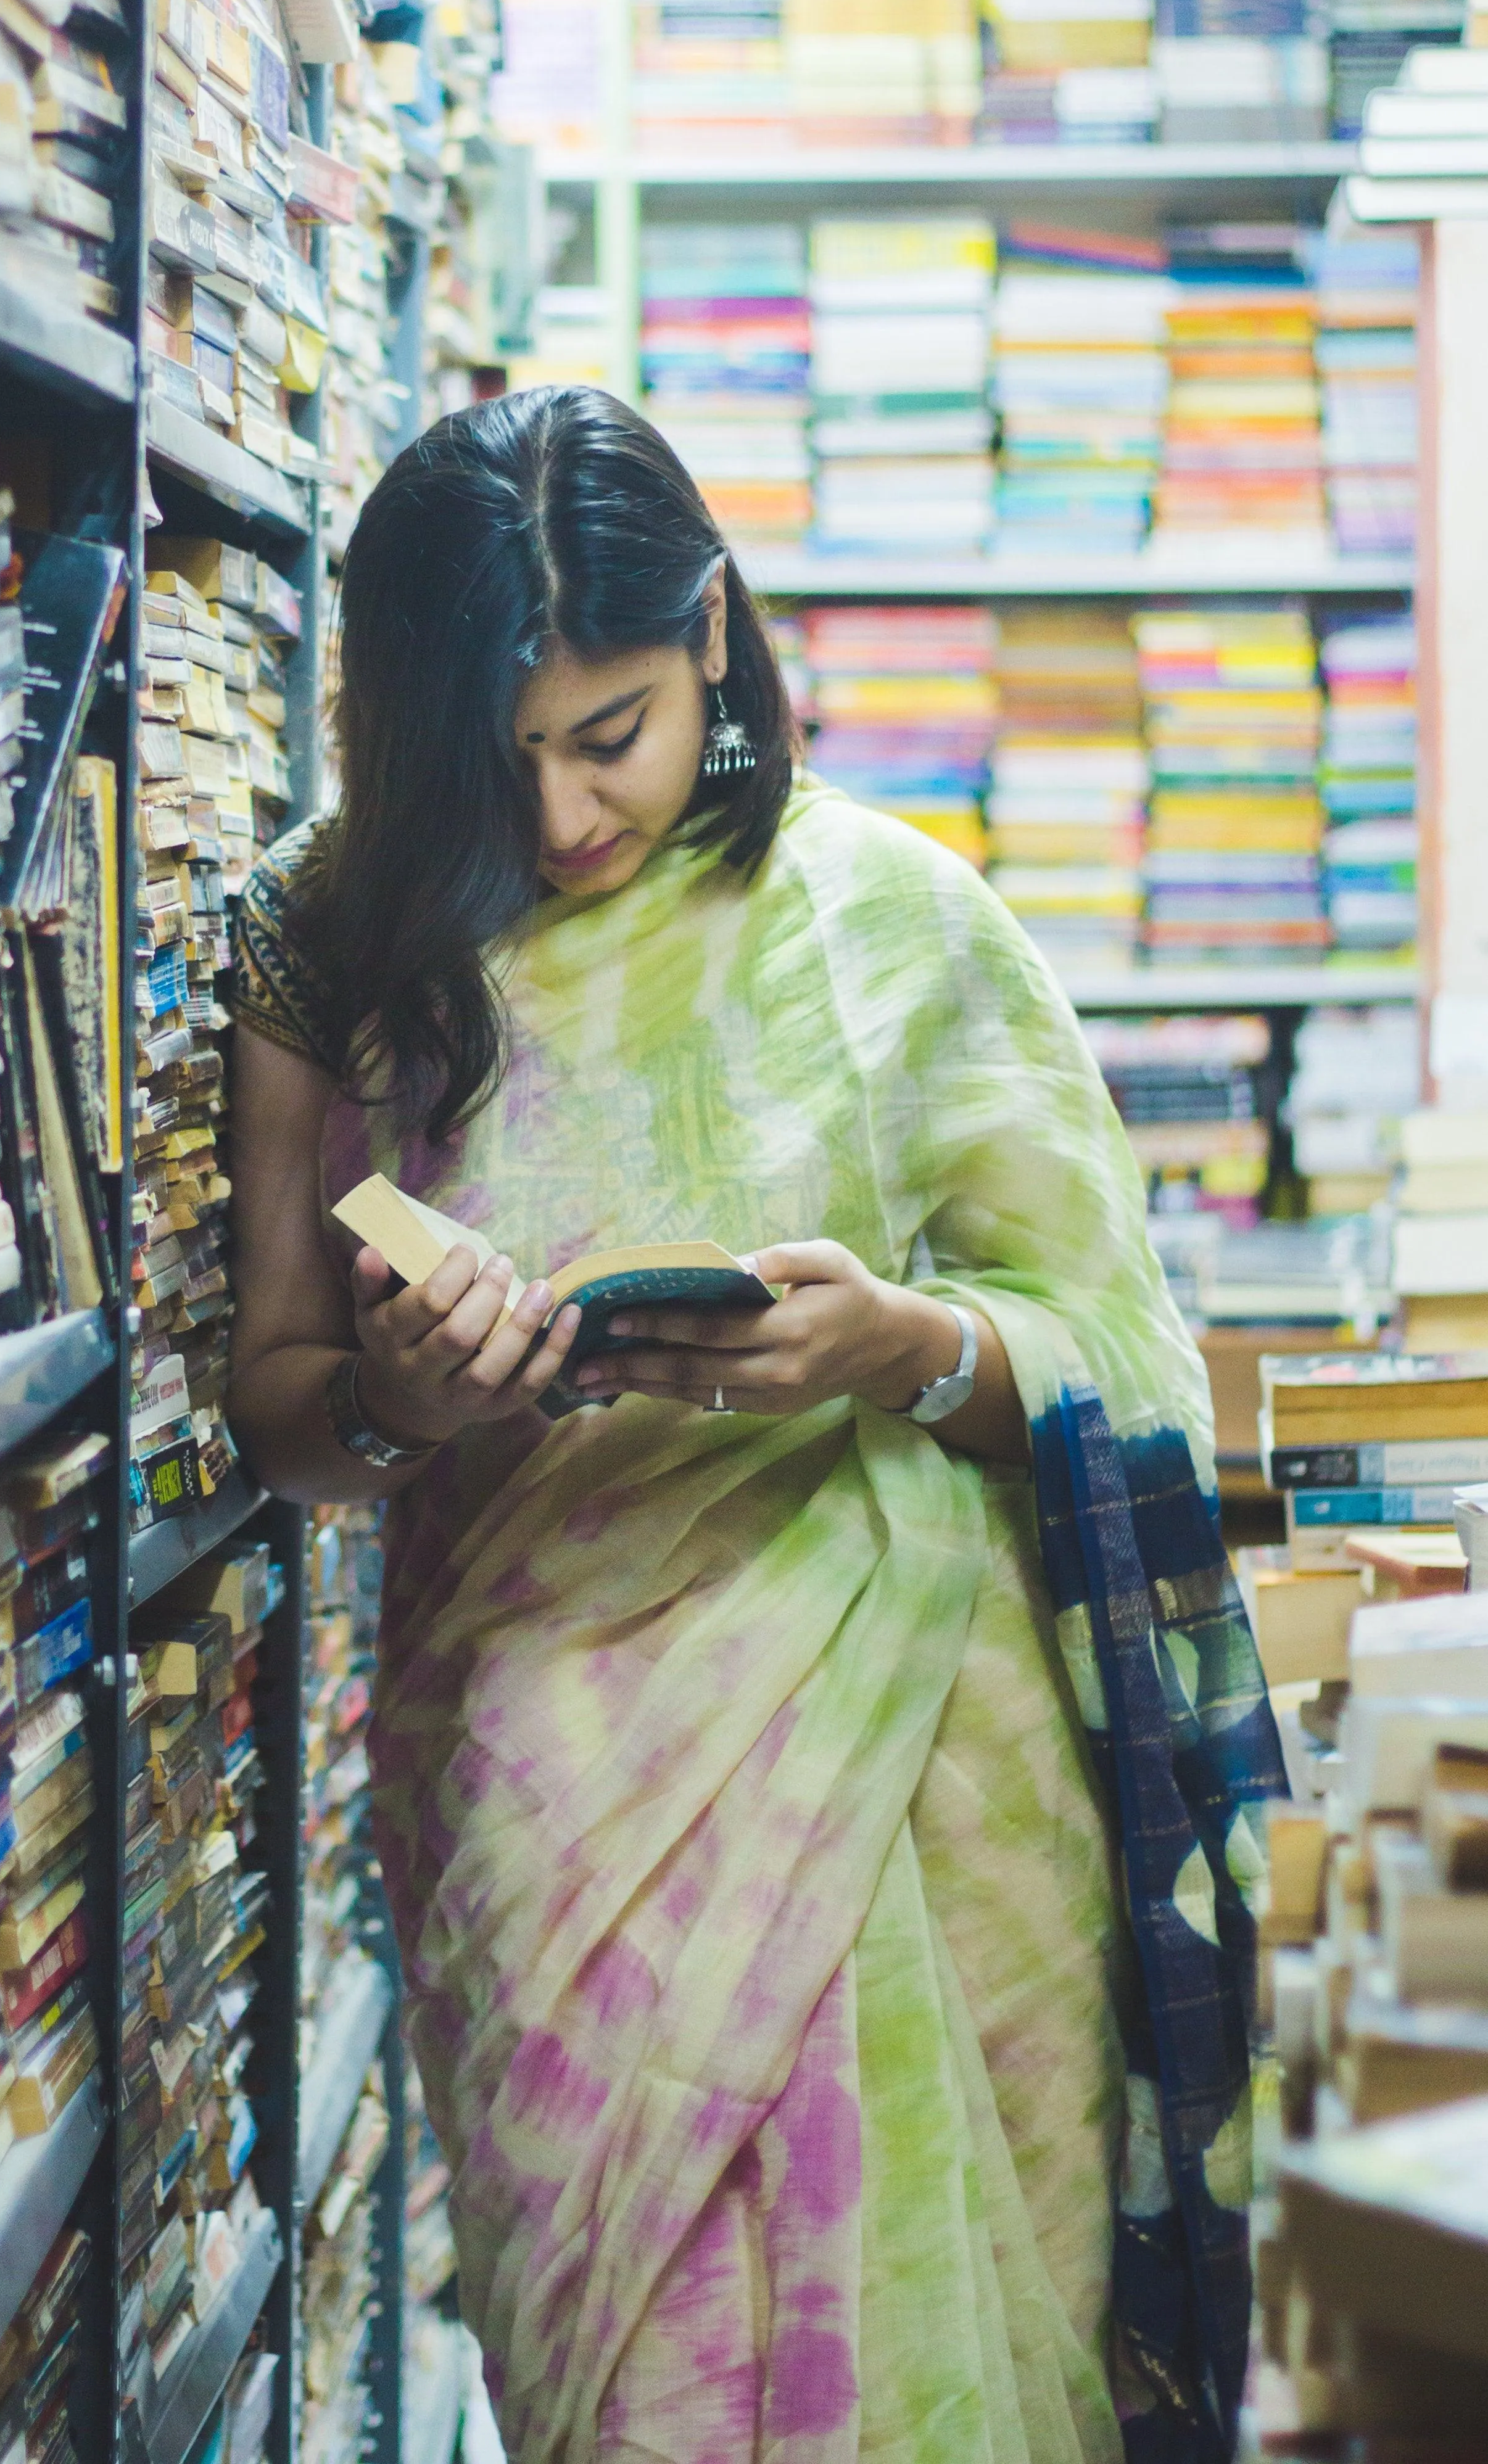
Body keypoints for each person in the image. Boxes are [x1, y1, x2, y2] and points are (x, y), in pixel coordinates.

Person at [225, 387, 1281, 2464]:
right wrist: (397, 1402)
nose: (554, 819)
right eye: (489, 754)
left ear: (711, 632)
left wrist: (903, 1347)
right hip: (546, 1808)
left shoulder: (895, 920)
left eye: (605, 732)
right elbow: (278, 1415)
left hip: (928, 1786)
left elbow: (1126, 1362)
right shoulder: (338, 932)